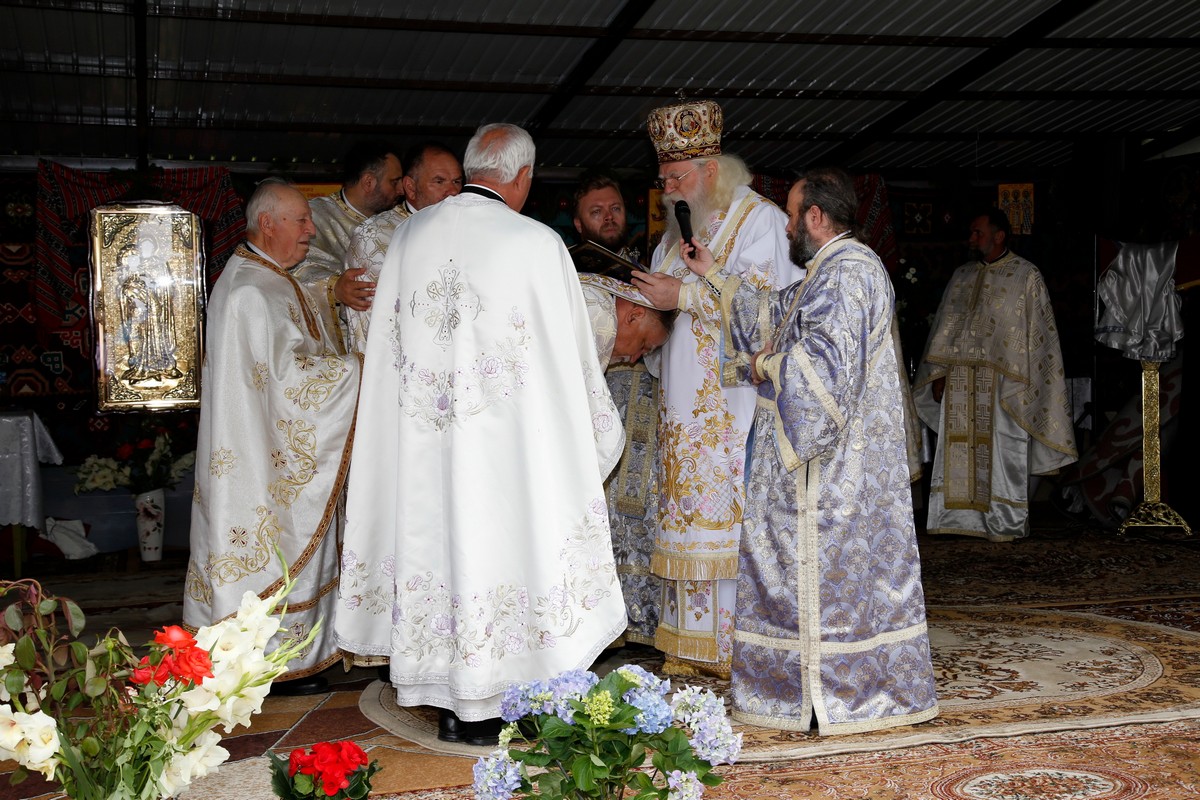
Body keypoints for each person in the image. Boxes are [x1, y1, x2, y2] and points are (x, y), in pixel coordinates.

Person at [334, 123, 627, 746]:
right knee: (509, 555)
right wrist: (586, 428)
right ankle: (508, 697)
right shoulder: (535, 243)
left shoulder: (408, 237)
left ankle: (448, 701)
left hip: (426, 449)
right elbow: (572, 356)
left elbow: (383, 352)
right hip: (506, 452)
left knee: (439, 553)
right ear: (523, 177)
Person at [676, 166, 939, 734]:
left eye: (794, 216)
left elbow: (822, 369)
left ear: (816, 217)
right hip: (831, 467)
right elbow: (776, 312)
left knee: (828, 581)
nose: (789, 226)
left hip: (830, 473)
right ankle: (822, 691)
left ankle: (840, 693)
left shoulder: (848, 274)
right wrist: (715, 275)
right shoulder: (831, 271)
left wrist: (759, 366)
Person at [630, 99, 801, 678]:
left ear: (711, 171)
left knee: (729, 518)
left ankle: (737, 645)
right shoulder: (674, 235)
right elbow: (671, 309)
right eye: (663, 180)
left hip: (736, 406)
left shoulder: (761, 221)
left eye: (677, 178)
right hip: (682, 406)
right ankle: (690, 643)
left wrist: (677, 297)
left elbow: (768, 309)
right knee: (688, 517)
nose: (668, 190)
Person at [183, 178, 362, 694]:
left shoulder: (271, 279)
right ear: (268, 223)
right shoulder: (249, 291)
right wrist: (357, 371)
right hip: (258, 454)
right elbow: (290, 382)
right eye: (301, 220)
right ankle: (273, 664)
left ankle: (298, 654)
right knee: (273, 543)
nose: (311, 230)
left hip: (267, 446)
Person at [913, 209, 1077, 542]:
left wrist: (1026, 379)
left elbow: (1039, 337)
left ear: (999, 235)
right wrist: (940, 373)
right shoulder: (961, 275)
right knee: (959, 451)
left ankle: (1003, 521)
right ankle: (959, 520)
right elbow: (946, 330)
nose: (972, 239)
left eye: (978, 232)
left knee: (1001, 453)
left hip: (1004, 384)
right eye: (971, 233)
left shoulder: (1025, 276)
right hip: (960, 382)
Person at [573, 172, 668, 647]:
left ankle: (643, 617)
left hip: (645, 408)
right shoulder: (568, 279)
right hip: (596, 401)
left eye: (614, 209)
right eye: (597, 211)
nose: (608, 218)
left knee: (644, 505)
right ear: (578, 220)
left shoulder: (653, 265)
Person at [343, 142, 464, 352]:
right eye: (439, 181)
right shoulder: (375, 235)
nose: (452, 191)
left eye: (457, 181)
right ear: (410, 187)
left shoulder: (470, 229)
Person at [292, 140, 403, 353]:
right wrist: (334, 287)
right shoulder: (316, 217)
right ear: (369, 182)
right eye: (394, 181)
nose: (401, 189)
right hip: (335, 347)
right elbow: (295, 269)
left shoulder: (398, 223)